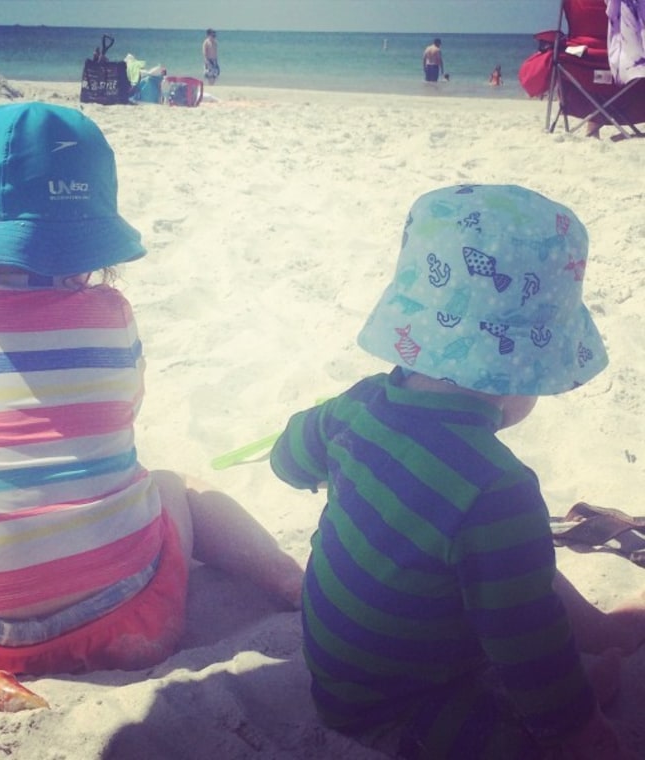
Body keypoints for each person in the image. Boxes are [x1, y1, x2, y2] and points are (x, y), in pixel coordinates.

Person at [0, 102, 303, 689]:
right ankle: (288, 579)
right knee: (173, 484)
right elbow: (124, 405)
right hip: (134, 623)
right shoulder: (112, 315)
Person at [270, 184, 644, 758]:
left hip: (337, 666)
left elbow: (287, 460)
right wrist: (581, 729)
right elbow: (530, 649)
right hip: (404, 707)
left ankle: (594, 630)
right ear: (524, 370)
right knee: (536, 713)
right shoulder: (497, 489)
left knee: (504, 556)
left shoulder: (362, 403)